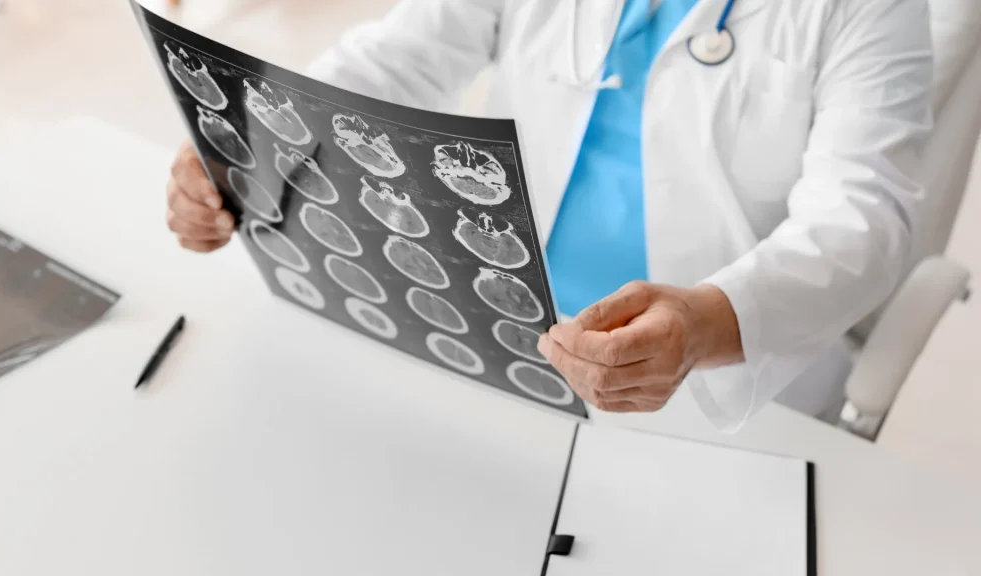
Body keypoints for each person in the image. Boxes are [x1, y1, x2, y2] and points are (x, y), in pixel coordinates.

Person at [164, 0, 933, 430]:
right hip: (496, 327)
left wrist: (703, 321)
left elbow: (864, 214)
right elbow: (393, 57)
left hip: (717, 384)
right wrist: (249, 139)